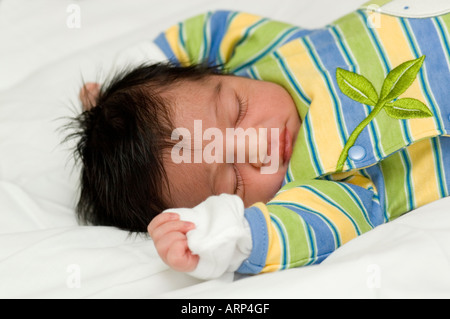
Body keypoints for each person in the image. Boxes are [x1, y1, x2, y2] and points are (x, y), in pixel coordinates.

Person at [74, 1, 450, 279]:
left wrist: (133, 69)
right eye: (233, 182)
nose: (260, 146)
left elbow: (213, 28)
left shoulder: (265, 53)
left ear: (225, 75)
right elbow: (313, 226)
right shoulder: (320, 186)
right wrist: (224, 235)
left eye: (236, 111)